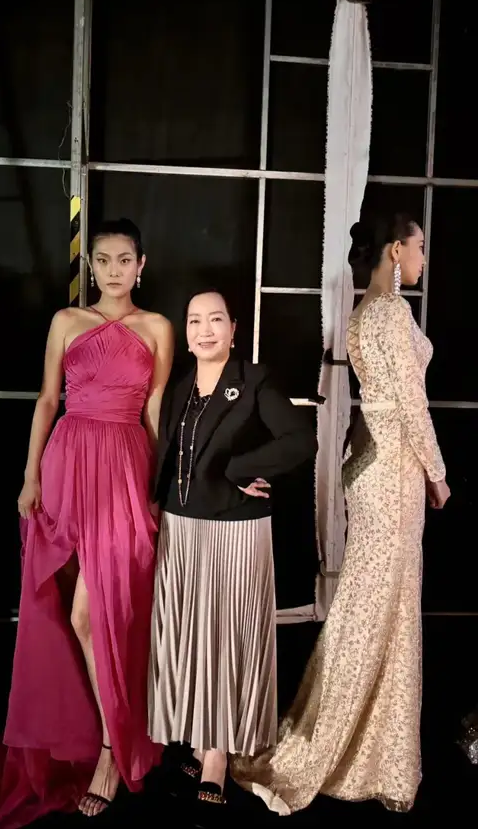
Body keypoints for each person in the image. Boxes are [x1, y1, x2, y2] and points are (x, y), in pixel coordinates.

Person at [0, 218, 173, 826]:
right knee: (62, 607)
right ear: (90, 265)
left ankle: (111, 747)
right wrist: (30, 476)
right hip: (68, 463)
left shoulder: (157, 327)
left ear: (141, 266)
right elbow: (48, 400)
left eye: (124, 259)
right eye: (103, 260)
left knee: (95, 615)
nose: (113, 270)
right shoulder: (66, 321)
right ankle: (88, 734)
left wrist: (158, 491)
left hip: (124, 467)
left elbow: (155, 410)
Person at [233, 212, 451, 814]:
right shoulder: (390, 313)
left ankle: (377, 750)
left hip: (375, 466)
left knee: (378, 607)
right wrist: (437, 473)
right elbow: (411, 404)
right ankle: (345, 748)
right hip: (394, 473)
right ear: (395, 250)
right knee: (377, 609)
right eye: (419, 247)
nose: (423, 258)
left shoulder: (362, 314)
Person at [149, 288, 317, 823]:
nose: (205, 330)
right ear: (186, 331)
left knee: (224, 635)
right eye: (195, 320)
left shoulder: (254, 381)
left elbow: (300, 439)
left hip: (235, 531)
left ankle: (219, 754)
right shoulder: (178, 387)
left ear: (233, 328)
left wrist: (241, 469)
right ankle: (198, 740)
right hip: (181, 526)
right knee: (191, 635)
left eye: (215, 319)